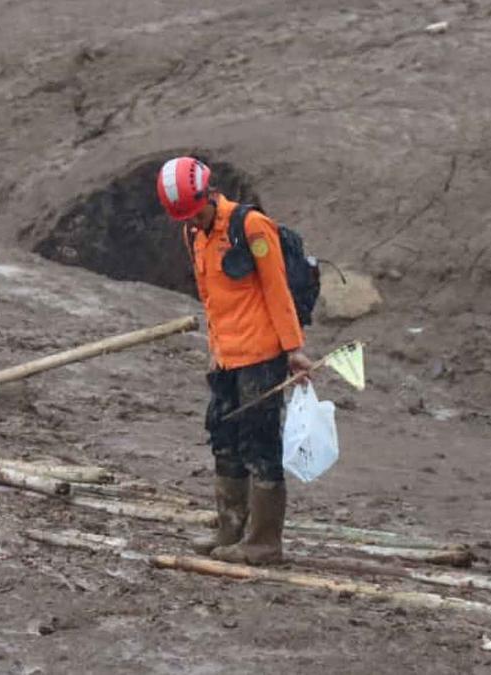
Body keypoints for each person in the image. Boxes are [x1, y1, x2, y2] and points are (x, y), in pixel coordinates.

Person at [157, 156, 312, 564]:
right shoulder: (194, 234)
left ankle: (264, 541)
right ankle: (230, 528)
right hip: (226, 358)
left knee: (259, 443)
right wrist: (215, 351)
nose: (193, 222)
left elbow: (277, 288)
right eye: (186, 218)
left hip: (262, 355)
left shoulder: (251, 226)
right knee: (224, 438)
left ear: (210, 193)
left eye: (197, 213)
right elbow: (210, 297)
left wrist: (294, 350)